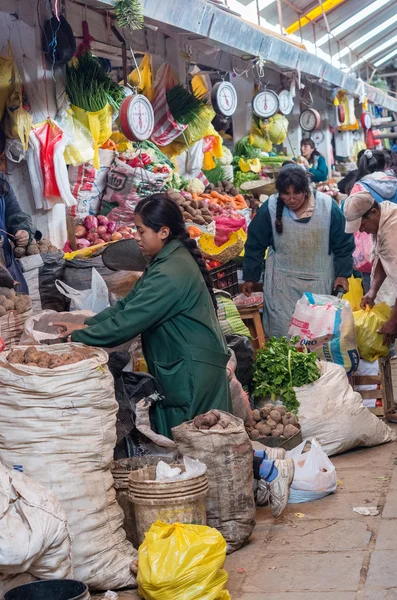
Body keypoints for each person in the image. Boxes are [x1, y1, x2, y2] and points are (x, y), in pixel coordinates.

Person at [54, 193, 233, 439]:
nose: (137, 238)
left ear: (163, 232)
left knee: (196, 442)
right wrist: (84, 323)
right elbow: (127, 306)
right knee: (189, 442)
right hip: (186, 362)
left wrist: (83, 335)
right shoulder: (166, 259)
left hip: (192, 370)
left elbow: (129, 321)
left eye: (141, 231)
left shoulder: (169, 273)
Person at [242, 165, 354, 338]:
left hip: (319, 284)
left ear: (306, 190)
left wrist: (343, 274)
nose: (291, 199)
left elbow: (344, 244)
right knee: (282, 337)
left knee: (315, 337)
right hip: (282, 288)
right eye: (286, 194)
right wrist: (250, 276)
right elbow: (255, 244)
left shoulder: (327, 206)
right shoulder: (270, 207)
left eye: (297, 193)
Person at [344, 192, 397, 346]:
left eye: (362, 225)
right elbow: (382, 255)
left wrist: (392, 322)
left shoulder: (392, 230)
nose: (361, 231)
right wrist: (372, 291)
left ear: (373, 213)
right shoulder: (383, 215)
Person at [0, 174, 35, 294]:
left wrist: (22, 230)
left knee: (18, 302)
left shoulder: (1, 181)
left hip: (6, 264)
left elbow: (14, 214)